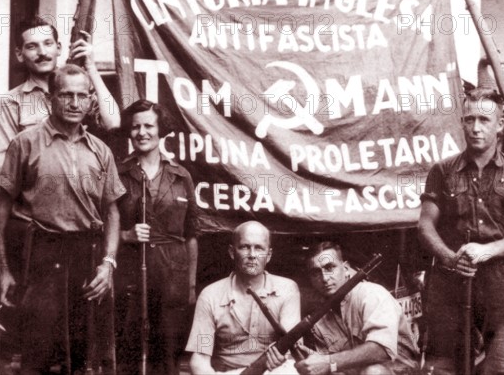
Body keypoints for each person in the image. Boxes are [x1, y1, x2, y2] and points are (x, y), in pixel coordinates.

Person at [0, 64, 125, 374]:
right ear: (51, 98)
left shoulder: (101, 151)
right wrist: (2, 272)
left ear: (91, 100)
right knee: (36, 353)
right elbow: (1, 208)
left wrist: (108, 264)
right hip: (40, 254)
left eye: (82, 96)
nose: (74, 103)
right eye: (66, 95)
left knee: (82, 356)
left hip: (87, 255)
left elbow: (112, 212)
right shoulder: (25, 143)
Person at [418, 88, 504, 374]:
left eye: (484, 120)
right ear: (462, 122)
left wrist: (488, 250)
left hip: (502, 283)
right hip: (451, 282)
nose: (475, 128)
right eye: (469, 119)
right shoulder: (442, 171)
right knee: (443, 367)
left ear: (499, 125)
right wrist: (449, 258)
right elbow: (425, 226)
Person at [114, 99, 199, 375]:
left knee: (167, 356)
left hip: (172, 276)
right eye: (136, 126)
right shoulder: (118, 173)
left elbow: (191, 235)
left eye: (149, 125)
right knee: (128, 350)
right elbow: (99, 226)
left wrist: (190, 286)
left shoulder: (181, 175)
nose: (142, 132)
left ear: (161, 130)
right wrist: (125, 234)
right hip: (130, 277)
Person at [0, 16, 120, 177]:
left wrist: (91, 68)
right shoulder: (10, 102)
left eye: (48, 43)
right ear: (19, 54)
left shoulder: (82, 93)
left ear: (59, 48)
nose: (42, 52)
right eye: (32, 46)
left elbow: (113, 122)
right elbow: (2, 165)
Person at [186, 221, 300, 374]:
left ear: (269, 255)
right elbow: (200, 358)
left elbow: (290, 347)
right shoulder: (210, 295)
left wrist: (279, 357)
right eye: (245, 247)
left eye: (259, 248)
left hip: (273, 370)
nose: (252, 255)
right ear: (232, 252)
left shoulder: (287, 289)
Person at [295, 241, 420, 375]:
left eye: (330, 267)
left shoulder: (371, 294)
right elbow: (332, 367)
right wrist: (314, 361)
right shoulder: (319, 318)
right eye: (316, 273)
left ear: (346, 268)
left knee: (374, 372)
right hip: (355, 373)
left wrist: (328, 362)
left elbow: (381, 351)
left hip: (400, 371)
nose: (325, 278)